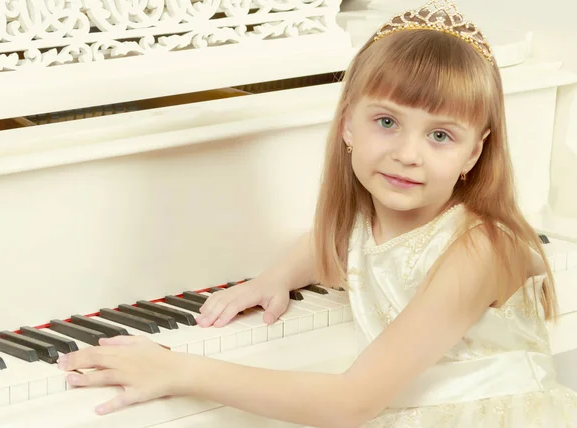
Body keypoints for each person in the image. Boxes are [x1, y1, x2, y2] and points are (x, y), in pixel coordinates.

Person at [57, 0, 577, 426]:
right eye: (386, 122)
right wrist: (276, 276)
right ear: (348, 123)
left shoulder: (481, 247)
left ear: (474, 153)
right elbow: (337, 239)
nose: (408, 153)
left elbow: (350, 403)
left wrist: (178, 370)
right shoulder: (363, 219)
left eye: (440, 135)